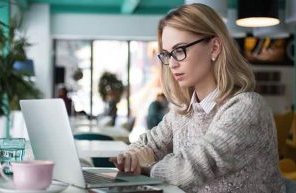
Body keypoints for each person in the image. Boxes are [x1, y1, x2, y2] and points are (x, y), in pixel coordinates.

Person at [110, 3, 285, 193]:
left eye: (179, 50)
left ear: (214, 47)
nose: (173, 64)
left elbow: (191, 168)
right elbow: (148, 144)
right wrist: (130, 158)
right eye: (168, 54)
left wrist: (148, 166)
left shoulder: (247, 108)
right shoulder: (183, 112)